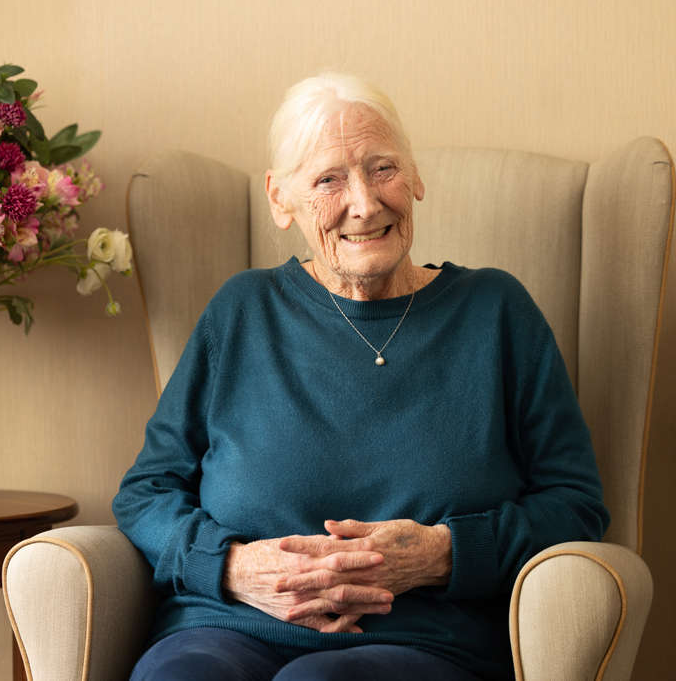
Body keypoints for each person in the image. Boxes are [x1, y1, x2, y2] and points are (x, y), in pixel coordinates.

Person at [112, 73, 609, 681]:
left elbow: (575, 505)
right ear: (280, 198)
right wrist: (232, 568)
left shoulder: (495, 312)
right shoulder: (242, 311)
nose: (365, 204)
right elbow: (147, 492)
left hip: (425, 642)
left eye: (382, 169)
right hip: (227, 625)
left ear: (415, 176)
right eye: (328, 179)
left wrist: (445, 555)